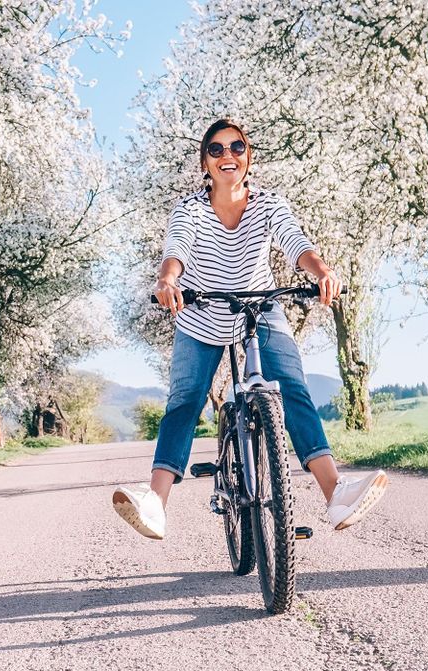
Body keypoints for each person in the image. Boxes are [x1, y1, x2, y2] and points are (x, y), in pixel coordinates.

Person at [112, 118, 388, 540]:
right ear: (205, 162)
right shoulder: (189, 210)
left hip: (258, 310)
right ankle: (156, 503)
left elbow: (296, 243)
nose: (228, 156)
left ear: (248, 156)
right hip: (201, 313)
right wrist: (168, 281)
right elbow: (177, 251)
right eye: (217, 149)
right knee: (184, 402)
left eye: (236, 147)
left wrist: (322, 271)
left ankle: (336, 494)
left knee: (291, 387)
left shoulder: (268, 204)